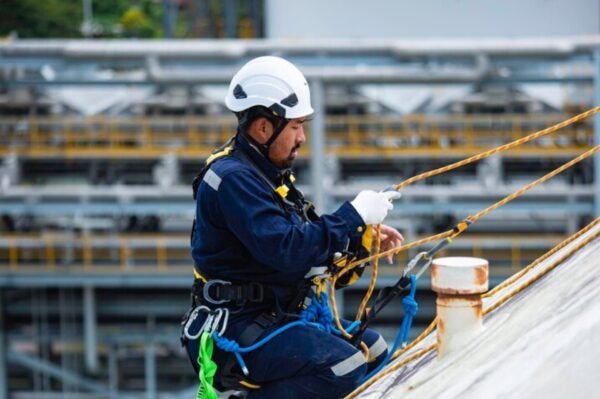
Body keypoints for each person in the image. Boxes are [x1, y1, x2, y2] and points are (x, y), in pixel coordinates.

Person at [181, 56, 404, 399]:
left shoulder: (265, 178)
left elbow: (307, 249)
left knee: (371, 351)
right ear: (263, 128)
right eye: (296, 125)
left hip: (270, 316)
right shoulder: (233, 180)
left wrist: (359, 240)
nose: (302, 136)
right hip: (238, 325)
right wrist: (353, 216)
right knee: (342, 365)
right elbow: (288, 251)